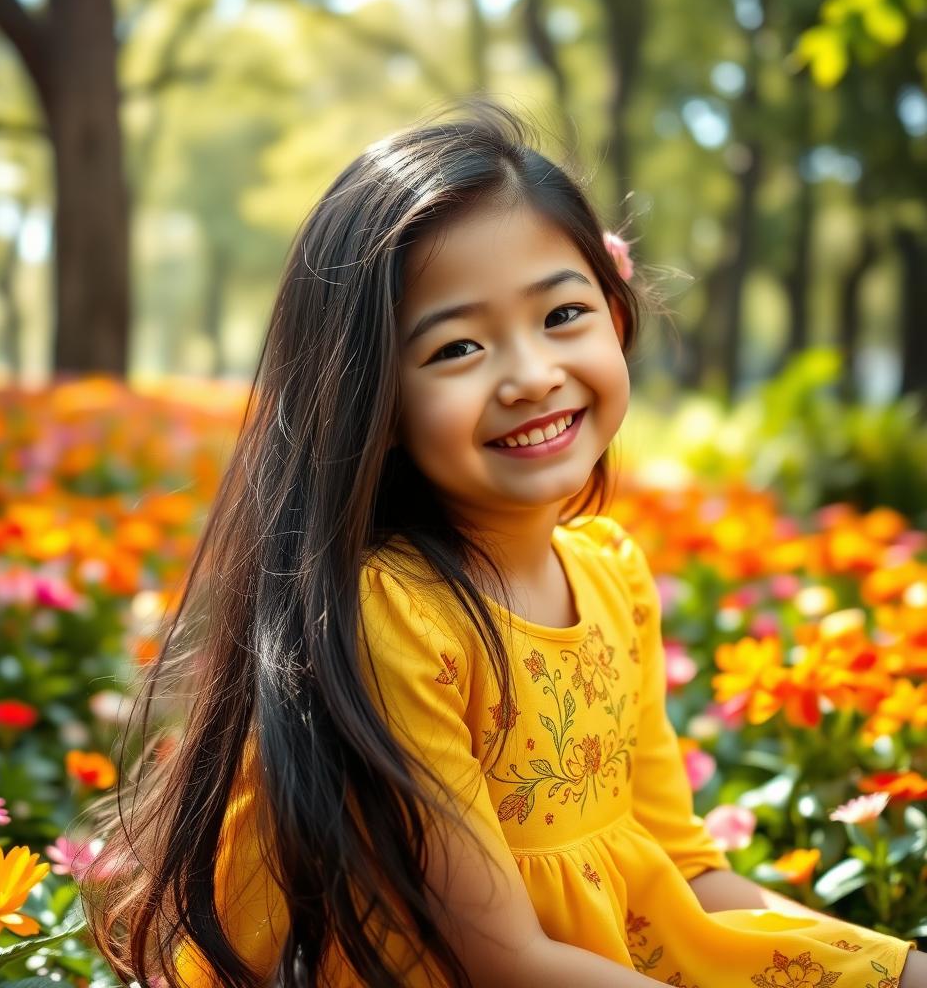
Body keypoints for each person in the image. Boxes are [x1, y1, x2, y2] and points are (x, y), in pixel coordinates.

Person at [81, 98, 923, 987]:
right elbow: (504, 961)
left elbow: (688, 869)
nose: (530, 376)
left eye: (562, 316)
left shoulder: (613, 576)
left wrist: (877, 965)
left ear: (616, 315)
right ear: (375, 400)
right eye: (457, 349)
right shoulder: (394, 615)